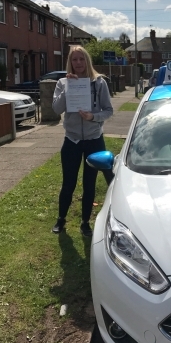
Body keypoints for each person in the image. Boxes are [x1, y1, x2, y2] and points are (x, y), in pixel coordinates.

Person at [51, 46, 113, 237]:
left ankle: (85, 222)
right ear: (70, 62)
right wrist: (68, 89)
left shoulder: (99, 83)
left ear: (87, 61)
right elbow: (56, 109)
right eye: (74, 60)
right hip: (72, 140)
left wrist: (92, 117)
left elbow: (108, 110)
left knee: (89, 184)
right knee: (68, 183)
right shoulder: (62, 83)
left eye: (81, 59)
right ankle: (61, 219)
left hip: (94, 140)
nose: (78, 63)